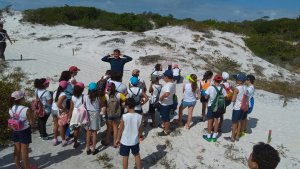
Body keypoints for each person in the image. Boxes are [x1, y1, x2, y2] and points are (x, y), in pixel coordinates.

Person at [9, 91, 34, 169]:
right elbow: (31, 123)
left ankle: (18, 166)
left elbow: (11, 119)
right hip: (24, 131)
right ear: (21, 99)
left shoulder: (11, 108)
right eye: (23, 97)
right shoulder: (26, 109)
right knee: (24, 152)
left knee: (17, 149)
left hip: (15, 130)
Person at [116, 98, 143, 169]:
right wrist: (140, 136)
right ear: (134, 105)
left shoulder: (124, 116)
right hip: (135, 140)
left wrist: (118, 139)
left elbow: (120, 129)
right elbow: (140, 129)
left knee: (125, 157)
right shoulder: (140, 116)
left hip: (125, 141)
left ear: (127, 106)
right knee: (137, 155)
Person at [203, 75, 227, 142]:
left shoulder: (211, 87)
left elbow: (206, 97)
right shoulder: (222, 88)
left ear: (214, 80)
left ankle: (208, 136)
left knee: (210, 121)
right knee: (216, 120)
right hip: (219, 107)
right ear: (220, 81)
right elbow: (225, 97)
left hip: (211, 106)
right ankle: (214, 137)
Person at [103, 83, 126, 147]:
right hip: (117, 114)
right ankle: (115, 143)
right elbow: (125, 100)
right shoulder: (119, 94)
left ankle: (107, 141)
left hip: (109, 114)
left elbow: (102, 102)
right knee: (115, 128)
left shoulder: (106, 95)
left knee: (109, 128)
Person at [227, 72, 247, 142]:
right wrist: (233, 88)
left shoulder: (237, 88)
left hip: (237, 108)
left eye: (236, 79)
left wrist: (231, 95)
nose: (235, 80)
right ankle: (237, 136)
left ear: (240, 81)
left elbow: (233, 100)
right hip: (242, 107)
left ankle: (232, 137)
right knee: (239, 122)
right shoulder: (245, 88)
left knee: (234, 123)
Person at [52, 80, 71, 146]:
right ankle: (63, 141)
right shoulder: (63, 95)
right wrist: (65, 109)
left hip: (53, 109)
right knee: (61, 126)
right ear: (65, 87)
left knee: (55, 125)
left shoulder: (55, 92)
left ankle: (55, 139)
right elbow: (59, 104)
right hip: (59, 111)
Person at [85, 82, 102, 155]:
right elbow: (101, 105)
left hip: (88, 113)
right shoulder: (98, 97)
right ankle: (93, 149)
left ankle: (88, 148)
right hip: (96, 114)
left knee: (88, 132)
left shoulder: (86, 96)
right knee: (95, 133)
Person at [158, 70, 176, 136]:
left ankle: (165, 131)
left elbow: (167, 93)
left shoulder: (169, 85)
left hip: (166, 104)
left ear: (167, 77)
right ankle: (163, 125)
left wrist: (160, 98)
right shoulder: (172, 83)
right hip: (168, 103)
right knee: (164, 116)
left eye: (164, 76)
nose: (163, 78)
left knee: (166, 118)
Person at [69, 82, 85, 148]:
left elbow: (71, 108)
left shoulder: (72, 97)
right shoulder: (84, 96)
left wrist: (69, 117)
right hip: (82, 112)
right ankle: (90, 141)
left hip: (75, 112)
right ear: (82, 90)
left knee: (76, 129)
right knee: (86, 128)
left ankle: (75, 143)